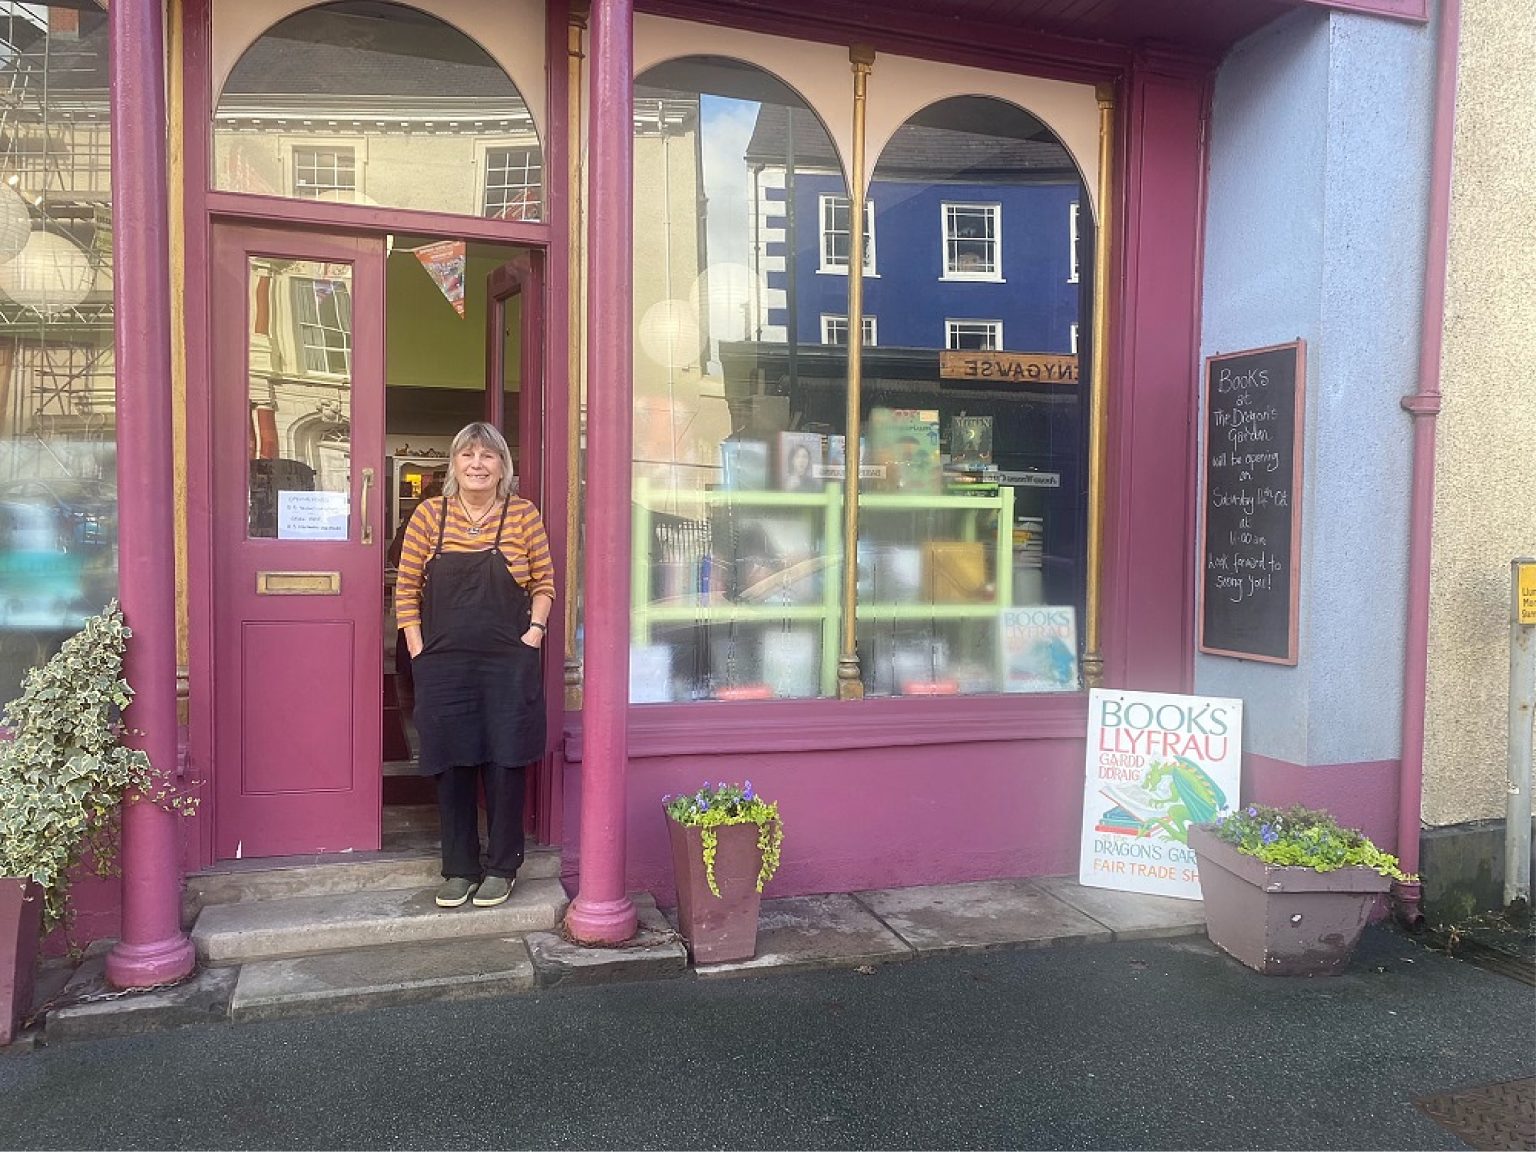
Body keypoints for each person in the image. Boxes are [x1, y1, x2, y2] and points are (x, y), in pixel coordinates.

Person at [393, 423, 554, 909]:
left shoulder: (523, 515)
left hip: (508, 661)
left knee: (505, 760)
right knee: (452, 762)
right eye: (468, 455)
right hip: (443, 662)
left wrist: (534, 636)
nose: (478, 464)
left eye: (488, 456)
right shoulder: (429, 515)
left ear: (503, 466)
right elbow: (406, 592)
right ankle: (459, 867)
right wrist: (420, 649)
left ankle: (503, 866)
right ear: (454, 464)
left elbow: (544, 583)